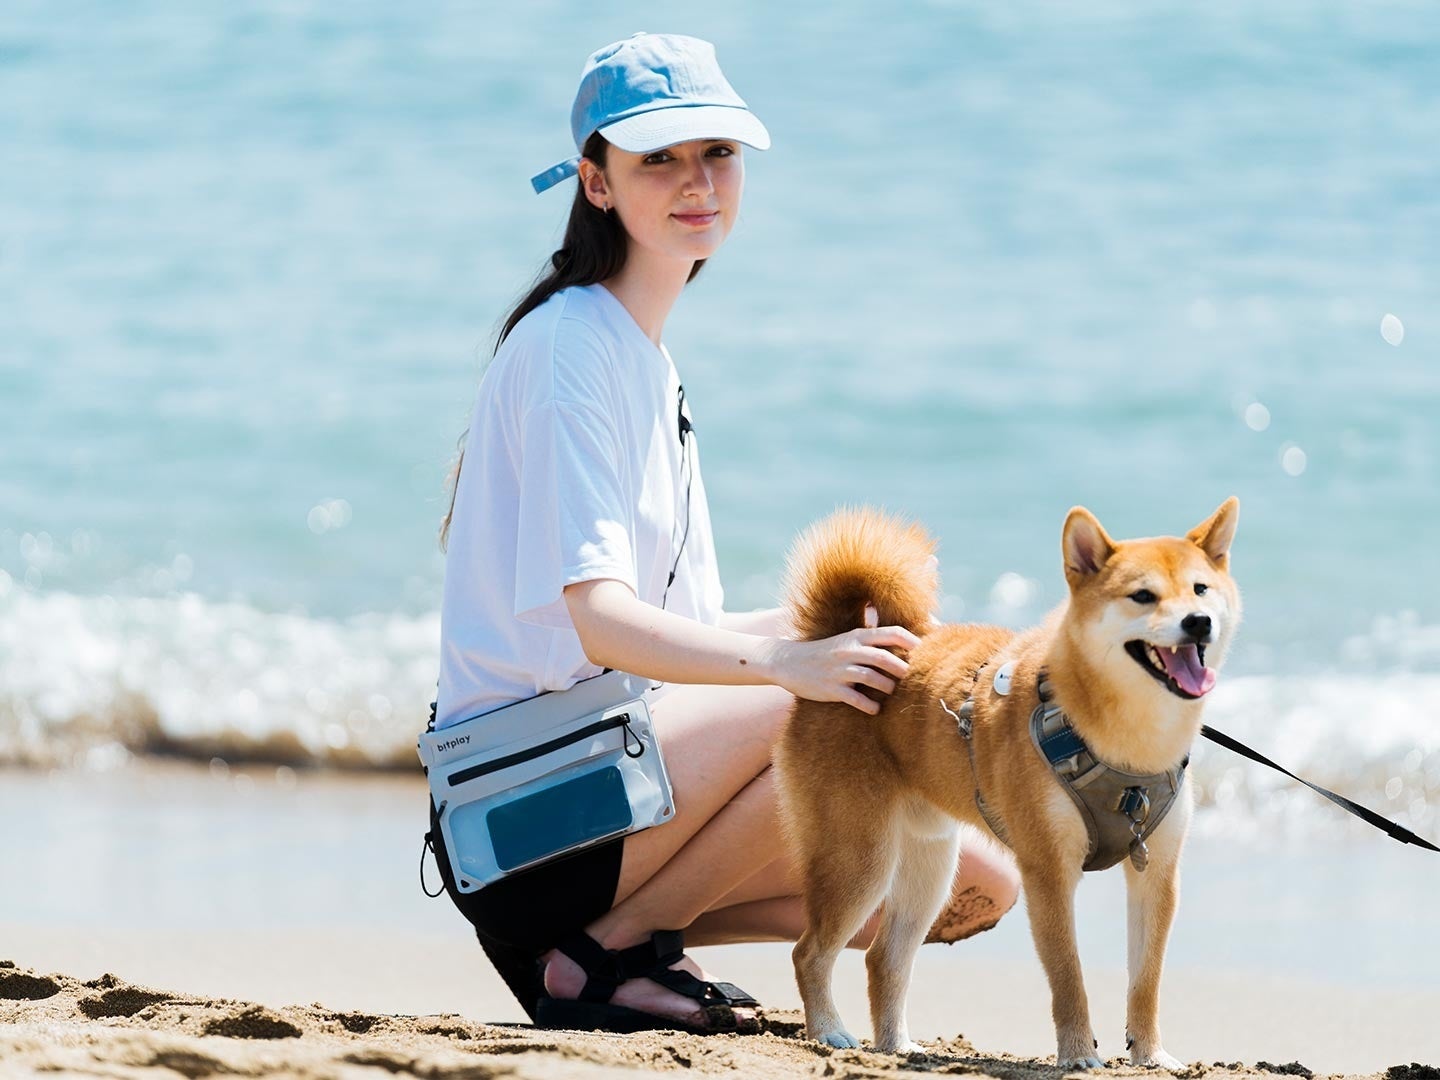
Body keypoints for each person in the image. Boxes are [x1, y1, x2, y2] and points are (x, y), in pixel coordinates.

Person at [430, 32, 1020, 1036]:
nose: (698, 181)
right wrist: (798, 662)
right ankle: (614, 948)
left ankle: (613, 943)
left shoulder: (643, 358)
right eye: (658, 158)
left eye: (718, 153)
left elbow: (691, 634)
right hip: (524, 822)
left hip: (615, 788)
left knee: (969, 883)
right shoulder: (571, 346)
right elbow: (605, 623)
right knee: (827, 690)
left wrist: (893, 643)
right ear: (596, 182)